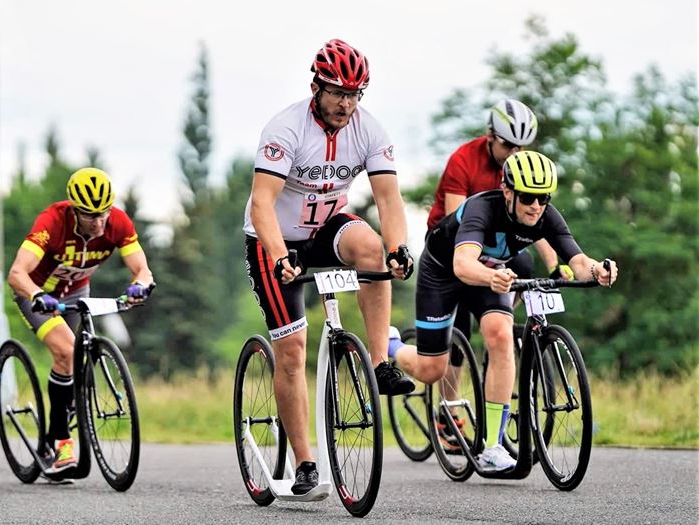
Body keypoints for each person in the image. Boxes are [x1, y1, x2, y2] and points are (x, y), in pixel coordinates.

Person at [243, 38, 415, 495]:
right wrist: (281, 258)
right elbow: (262, 205)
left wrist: (400, 248)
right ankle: (304, 462)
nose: (346, 103)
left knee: (374, 251)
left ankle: (380, 362)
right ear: (316, 87)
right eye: (338, 92)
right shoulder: (285, 129)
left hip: (325, 229)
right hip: (275, 240)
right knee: (294, 349)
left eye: (355, 94)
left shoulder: (370, 130)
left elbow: (388, 198)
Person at [391, 151, 617, 471]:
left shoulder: (546, 216)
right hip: (444, 272)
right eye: (527, 197)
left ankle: (492, 445)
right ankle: (392, 346)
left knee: (499, 336)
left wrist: (598, 270)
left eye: (543, 198)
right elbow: (462, 263)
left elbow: (577, 261)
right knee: (432, 371)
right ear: (508, 191)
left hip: (490, 273)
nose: (536, 206)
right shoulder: (483, 208)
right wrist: (492, 276)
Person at [412, 99, 564, 447]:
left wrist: (556, 263)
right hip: (457, 245)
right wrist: (478, 272)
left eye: (521, 147)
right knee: (457, 332)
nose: (514, 153)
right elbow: (459, 224)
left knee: (524, 269)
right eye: (508, 145)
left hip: (499, 246)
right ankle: (447, 409)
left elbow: (536, 220)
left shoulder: (522, 169)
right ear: (490, 137)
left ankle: (503, 331)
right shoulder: (463, 161)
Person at [7, 167, 155, 474]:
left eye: (103, 213)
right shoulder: (52, 222)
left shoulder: (118, 223)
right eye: (90, 215)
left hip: (77, 292)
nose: (99, 222)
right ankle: (62, 443)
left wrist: (140, 285)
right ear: (74, 210)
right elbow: (16, 274)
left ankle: (55, 425)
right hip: (38, 294)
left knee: (73, 359)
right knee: (65, 351)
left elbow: (142, 269)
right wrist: (36, 294)